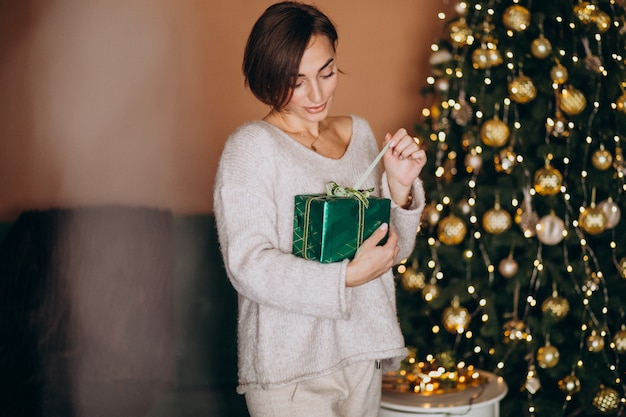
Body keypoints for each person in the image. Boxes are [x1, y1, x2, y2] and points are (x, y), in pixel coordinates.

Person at [213, 2, 427, 416]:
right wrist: (344, 278)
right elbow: (248, 265)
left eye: (326, 73)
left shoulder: (360, 134)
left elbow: (390, 255)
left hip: (364, 351)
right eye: (296, 82)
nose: (316, 94)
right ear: (268, 77)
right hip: (290, 370)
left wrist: (399, 188)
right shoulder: (250, 148)